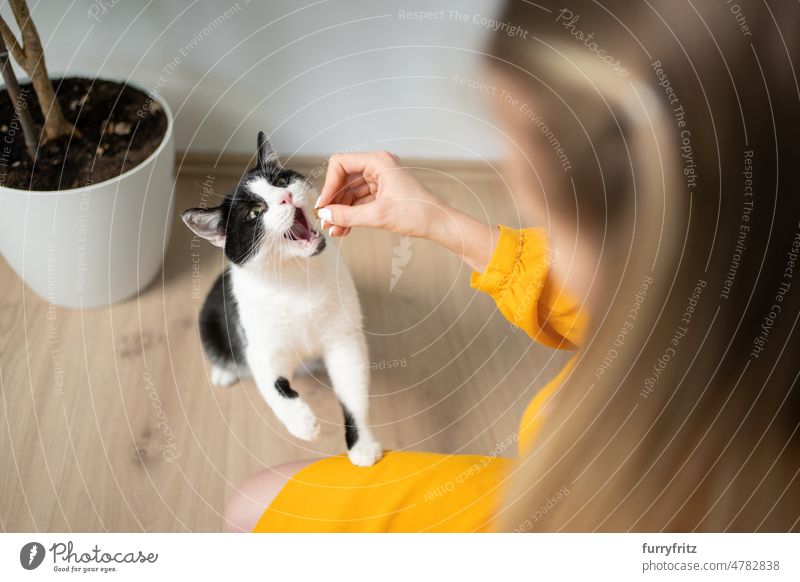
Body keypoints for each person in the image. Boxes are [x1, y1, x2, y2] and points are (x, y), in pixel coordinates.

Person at [225, 0, 800, 532]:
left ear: (642, 237)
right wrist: (440, 221)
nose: (538, 229)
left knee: (249, 507)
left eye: (542, 204)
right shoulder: (733, 299)